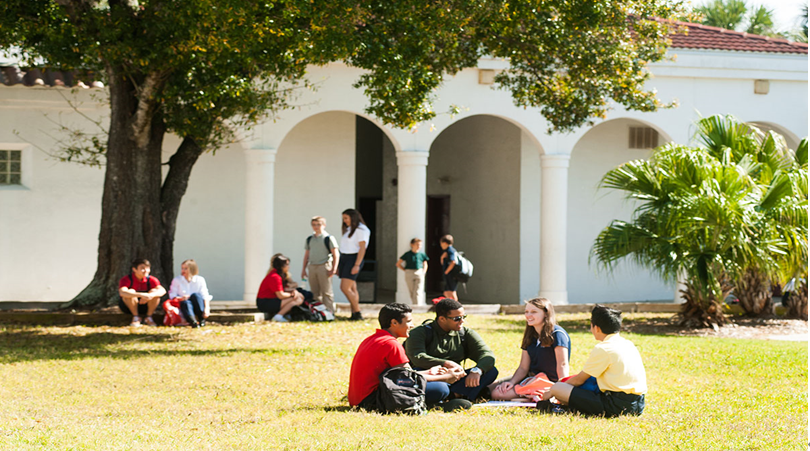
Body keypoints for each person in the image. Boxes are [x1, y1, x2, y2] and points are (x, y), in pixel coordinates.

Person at [348, 303, 466, 411]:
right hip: (372, 401)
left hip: (358, 400)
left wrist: (430, 372)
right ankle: (432, 405)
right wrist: (446, 377)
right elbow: (409, 378)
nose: (412, 325)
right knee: (440, 388)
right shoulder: (391, 344)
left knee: (427, 378)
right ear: (394, 323)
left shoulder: (373, 339)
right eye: (408, 321)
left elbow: (404, 374)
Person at [539, 305, 647, 417]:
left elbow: (579, 380)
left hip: (615, 405)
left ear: (597, 328)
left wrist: (552, 391)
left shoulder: (604, 348)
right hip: (638, 405)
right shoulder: (627, 344)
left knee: (558, 387)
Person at [404, 298, 499, 402]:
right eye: (457, 318)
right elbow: (418, 357)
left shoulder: (465, 333)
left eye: (464, 317)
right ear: (442, 319)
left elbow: (486, 355)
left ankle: (452, 395)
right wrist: (447, 363)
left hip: (455, 378)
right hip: (430, 378)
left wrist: (477, 371)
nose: (462, 321)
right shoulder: (419, 333)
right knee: (439, 389)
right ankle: (460, 394)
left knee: (491, 371)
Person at [489, 298, 570, 401]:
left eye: (534, 312)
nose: (528, 315)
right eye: (526, 312)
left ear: (546, 313)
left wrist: (562, 389)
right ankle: (529, 396)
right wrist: (511, 382)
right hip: (532, 380)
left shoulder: (557, 334)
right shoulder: (531, 335)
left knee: (498, 394)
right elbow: (523, 367)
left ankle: (532, 396)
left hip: (550, 382)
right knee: (494, 391)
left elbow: (562, 365)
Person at [301, 216, 340, 313]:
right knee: (315, 292)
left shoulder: (328, 238)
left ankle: (330, 312)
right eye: (314, 225)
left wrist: (334, 268)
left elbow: (336, 254)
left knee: (326, 292)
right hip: (312, 266)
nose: (316, 227)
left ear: (324, 225)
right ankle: (318, 312)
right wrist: (303, 269)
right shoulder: (310, 239)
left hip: (324, 266)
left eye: (318, 225)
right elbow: (307, 255)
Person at [338, 209, 371, 321]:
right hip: (344, 258)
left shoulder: (361, 230)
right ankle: (354, 313)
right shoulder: (348, 230)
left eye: (346, 218)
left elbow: (362, 248)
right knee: (352, 288)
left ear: (353, 217)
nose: (345, 221)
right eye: (343, 218)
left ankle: (357, 312)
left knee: (344, 287)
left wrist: (356, 264)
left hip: (354, 259)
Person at [256, 254, 305, 322]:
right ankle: (279, 316)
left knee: (299, 296)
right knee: (298, 298)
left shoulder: (279, 275)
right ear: (281, 266)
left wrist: (294, 291)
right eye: (287, 265)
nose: (289, 267)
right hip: (265, 303)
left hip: (272, 300)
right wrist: (292, 294)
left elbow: (283, 289)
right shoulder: (275, 276)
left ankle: (285, 314)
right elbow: (281, 295)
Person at [118, 258, 166, 327]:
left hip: (145, 305)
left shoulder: (152, 279)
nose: (146, 271)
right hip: (128, 306)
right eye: (142, 268)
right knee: (130, 292)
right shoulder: (126, 279)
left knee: (155, 292)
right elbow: (122, 292)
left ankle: (149, 317)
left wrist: (150, 295)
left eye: (147, 268)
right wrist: (141, 295)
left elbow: (162, 290)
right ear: (134, 269)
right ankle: (136, 317)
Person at [167, 259, 213, 328]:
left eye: (186, 268)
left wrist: (207, 308)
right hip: (185, 305)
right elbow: (172, 294)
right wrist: (181, 298)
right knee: (186, 302)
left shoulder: (200, 280)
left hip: (197, 304)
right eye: (182, 268)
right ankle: (192, 321)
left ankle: (201, 319)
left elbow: (205, 295)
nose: (183, 271)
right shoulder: (177, 280)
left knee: (195, 296)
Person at [396, 238, 429, 305]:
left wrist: (424, 272)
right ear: (412, 245)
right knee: (412, 291)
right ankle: (415, 305)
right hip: (409, 272)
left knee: (418, 291)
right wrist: (405, 270)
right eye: (417, 244)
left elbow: (425, 263)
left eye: (420, 245)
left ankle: (417, 305)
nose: (419, 246)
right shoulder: (407, 254)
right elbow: (398, 264)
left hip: (419, 272)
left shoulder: (422, 254)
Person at [439, 235, 458, 301]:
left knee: (452, 291)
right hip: (450, 274)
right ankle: (449, 307)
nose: (441, 245)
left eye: (441, 243)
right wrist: (442, 258)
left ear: (444, 243)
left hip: (451, 274)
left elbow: (453, 262)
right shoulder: (449, 251)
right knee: (446, 292)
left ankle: (456, 307)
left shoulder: (450, 250)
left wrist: (447, 271)